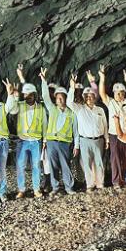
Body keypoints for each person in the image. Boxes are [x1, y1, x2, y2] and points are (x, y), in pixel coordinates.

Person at [67, 74, 109, 192]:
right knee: (86, 163)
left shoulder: (100, 110)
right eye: (87, 96)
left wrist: (107, 139)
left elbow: (105, 125)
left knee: (99, 163)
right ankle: (90, 185)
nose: (89, 98)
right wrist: (72, 87)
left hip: (99, 140)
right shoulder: (79, 109)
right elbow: (69, 102)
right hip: (85, 140)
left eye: (91, 96)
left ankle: (100, 184)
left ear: (95, 97)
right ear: (84, 97)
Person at [39, 68, 77, 196]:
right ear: (55, 99)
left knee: (66, 166)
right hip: (51, 142)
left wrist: (76, 145)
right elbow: (45, 96)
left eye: (62, 98)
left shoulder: (71, 113)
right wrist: (44, 81)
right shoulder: (52, 109)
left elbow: (75, 131)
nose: (60, 100)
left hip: (65, 143)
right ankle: (55, 187)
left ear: (66, 99)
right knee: (53, 165)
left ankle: (69, 187)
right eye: (58, 98)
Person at [98, 64, 126, 190]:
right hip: (114, 135)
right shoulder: (111, 103)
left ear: (124, 94)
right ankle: (116, 182)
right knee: (115, 158)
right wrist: (102, 78)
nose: (119, 95)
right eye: (117, 93)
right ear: (113, 93)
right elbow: (102, 93)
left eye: (121, 93)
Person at [10, 82, 47, 199]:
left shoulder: (41, 108)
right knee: (20, 165)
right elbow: (12, 110)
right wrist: (14, 96)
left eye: (30, 95)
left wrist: (45, 140)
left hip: (36, 141)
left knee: (36, 166)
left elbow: (44, 124)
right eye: (25, 95)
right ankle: (21, 190)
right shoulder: (20, 105)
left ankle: (36, 189)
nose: (27, 97)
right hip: (23, 140)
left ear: (34, 95)